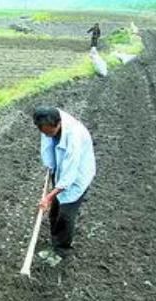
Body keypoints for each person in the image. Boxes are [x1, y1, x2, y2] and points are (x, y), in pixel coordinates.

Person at [32, 106, 96, 262]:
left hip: (77, 175)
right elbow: (48, 146)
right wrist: (51, 168)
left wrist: (48, 196)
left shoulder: (74, 136)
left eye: (50, 132)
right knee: (54, 211)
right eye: (44, 132)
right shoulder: (47, 122)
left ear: (59, 124)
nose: (47, 135)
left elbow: (70, 174)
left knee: (66, 214)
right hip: (62, 169)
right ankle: (55, 243)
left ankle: (62, 251)